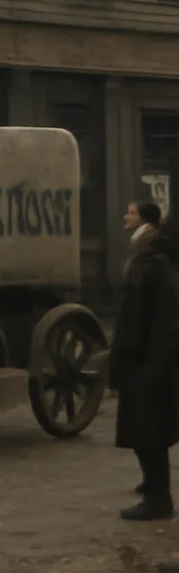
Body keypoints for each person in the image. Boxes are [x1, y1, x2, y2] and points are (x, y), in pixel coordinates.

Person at [108, 212, 179, 521]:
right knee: (143, 430)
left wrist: (154, 368)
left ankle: (158, 498)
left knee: (150, 430)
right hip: (140, 358)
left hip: (151, 362)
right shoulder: (151, 267)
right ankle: (153, 488)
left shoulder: (160, 272)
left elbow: (165, 325)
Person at [123, 200, 161, 269]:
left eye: (132, 213)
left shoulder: (149, 241)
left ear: (144, 218)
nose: (125, 217)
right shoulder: (141, 239)